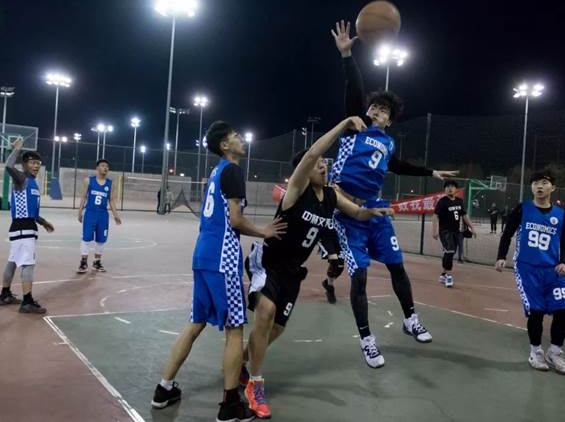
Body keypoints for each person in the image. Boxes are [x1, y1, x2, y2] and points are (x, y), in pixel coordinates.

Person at [242, 116, 393, 417]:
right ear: (305, 171)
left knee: (278, 328)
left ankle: (242, 361)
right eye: (318, 165)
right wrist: (344, 124)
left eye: (326, 164)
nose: (323, 166)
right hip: (268, 262)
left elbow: (357, 213)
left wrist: (372, 212)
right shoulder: (297, 190)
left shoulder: (332, 196)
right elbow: (312, 153)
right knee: (266, 313)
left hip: (293, 271)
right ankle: (254, 385)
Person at [327, 20, 458, 366]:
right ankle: (367, 339)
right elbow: (354, 90)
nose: (376, 111)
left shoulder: (387, 143)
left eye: (383, 110)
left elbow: (398, 166)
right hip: (347, 209)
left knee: (398, 266)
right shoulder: (354, 127)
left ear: (390, 120)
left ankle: (410, 319)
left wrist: (431, 172)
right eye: (374, 106)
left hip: (377, 209)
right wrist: (347, 57)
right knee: (360, 276)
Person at [151, 121, 286, 422]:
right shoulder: (233, 170)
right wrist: (264, 232)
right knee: (235, 329)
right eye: (236, 136)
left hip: (203, 254)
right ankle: (229, 406)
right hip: (222, 258)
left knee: (196, 323)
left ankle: (163, 389)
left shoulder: (216, 172)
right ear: (225, 145)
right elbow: (236, 220)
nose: (242, 139)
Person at [496, 170, 565, 375]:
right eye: (536, 182)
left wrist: (564, 262)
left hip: (552, 269)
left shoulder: (560, 215)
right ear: (531, 187)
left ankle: (555, 352)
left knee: (564, 309)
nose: (539, 186)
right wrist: (501, 256)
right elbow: (507, 233)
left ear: (552, 187)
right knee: (536, 311)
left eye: (544, 182)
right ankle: (536, 352)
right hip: (527, 268)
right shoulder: (523, 208)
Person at [0, 139, 55, 313]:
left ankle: (4, 295)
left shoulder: (33, 183)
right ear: (24, 164)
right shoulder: (22, 179)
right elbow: (8, 166)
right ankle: (27, 302)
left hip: (24, 226)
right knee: (28, 264)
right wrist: (16, 150)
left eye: (38, 163)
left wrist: (43, 222)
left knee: (13, 262)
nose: (36, 166)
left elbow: (32, 212)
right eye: (32, 162)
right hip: (23, 228)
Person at [77, 159, 122, 273]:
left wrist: (115, 215)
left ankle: (97, 262)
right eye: (102, 165)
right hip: (90, 213)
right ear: (97, 168)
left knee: (101, 239)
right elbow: (83, 197)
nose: (105, 168)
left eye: (107, 166)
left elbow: (111, 200)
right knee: (86, 237)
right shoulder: (88, 181)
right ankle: (83, 262)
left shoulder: (110, 184)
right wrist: (80, 212)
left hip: (103, 215)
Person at [432, 180, 477, 287]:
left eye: (452, 186)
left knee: (450, 252)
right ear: (445, 189)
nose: (450, 188)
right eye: (447, 187)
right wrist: (434, 230)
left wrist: (472, 227)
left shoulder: (459, 201)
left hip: (456, 231)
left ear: (456, 189)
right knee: (450, 251)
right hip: (445, 231)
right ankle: (449, 276)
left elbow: (464, 216)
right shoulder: (442, 202)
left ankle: (443, 274)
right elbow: (435, 216)